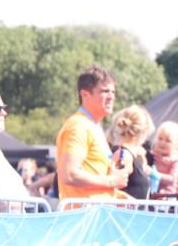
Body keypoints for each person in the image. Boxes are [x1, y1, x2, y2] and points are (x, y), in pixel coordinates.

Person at [56, 65, 130, 205]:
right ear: (84, 94)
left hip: (96, 217)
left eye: (113, 92)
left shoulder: (93, 126)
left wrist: (121, 197)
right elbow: (70, 174)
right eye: (105, 91)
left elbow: (96, 182)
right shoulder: (78, 126)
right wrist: (113, 181)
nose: (111, 97)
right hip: (84, 219)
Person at [109, 105, 156, 200]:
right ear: (144, 132)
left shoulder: (125, 154)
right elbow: (113, 186)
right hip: (126, 213)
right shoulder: (123, 155)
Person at [151, 120, 178, 197]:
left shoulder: (176, 160)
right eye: (160, 138)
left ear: (176, 144)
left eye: (168, 141)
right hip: (151, 194)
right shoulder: (152, 156)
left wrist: (156, 175)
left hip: (167, 197)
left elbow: (173, 179)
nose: (163, 143)